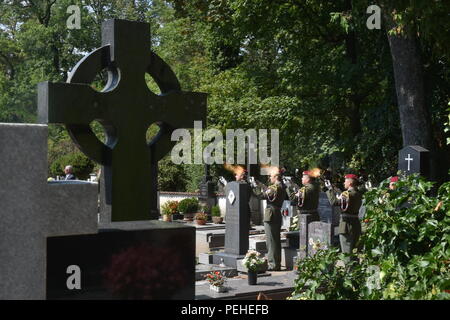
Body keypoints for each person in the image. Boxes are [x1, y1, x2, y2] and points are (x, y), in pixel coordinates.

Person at [253, 170, 286, 271]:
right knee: (275, 240)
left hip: (271, 214)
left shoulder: (274, 187)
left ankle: (273, 264)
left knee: (271, 241)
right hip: (276, 213)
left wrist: (255, 186)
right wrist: (262, 185)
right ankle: (276, 263)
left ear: (276, 176)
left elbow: (260, 196)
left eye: (271, 176)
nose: (269, 178)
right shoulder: (281, 186)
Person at [325, 173, 362, 254]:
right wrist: (339, 192)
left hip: (346, 226)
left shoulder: (347, 194)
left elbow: (334, 202)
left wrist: (330, 189)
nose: (344, 183)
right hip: (356, 224)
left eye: (345, 181)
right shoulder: (358, 193)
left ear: (350, 183)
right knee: (355, 252)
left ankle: (348, 267)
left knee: (347, 252)